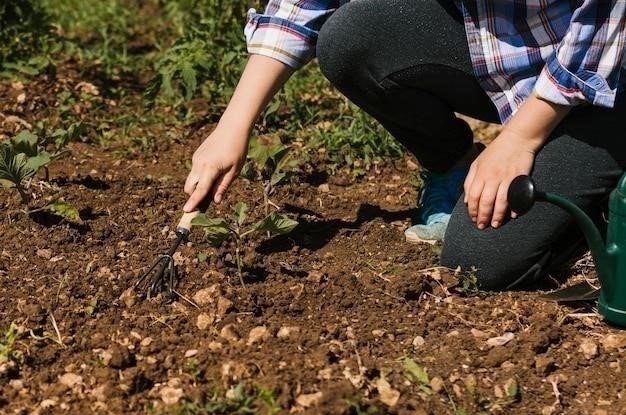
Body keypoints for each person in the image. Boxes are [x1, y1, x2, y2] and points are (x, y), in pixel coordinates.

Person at [183, 0, 626, 290]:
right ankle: (454, 166)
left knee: (480, 264)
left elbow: (609, 19)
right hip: (518, 56)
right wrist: (234, 123)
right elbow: (306, 4)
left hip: (609, 82)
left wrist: (521, 138)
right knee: (353, 38)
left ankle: (602, 200)